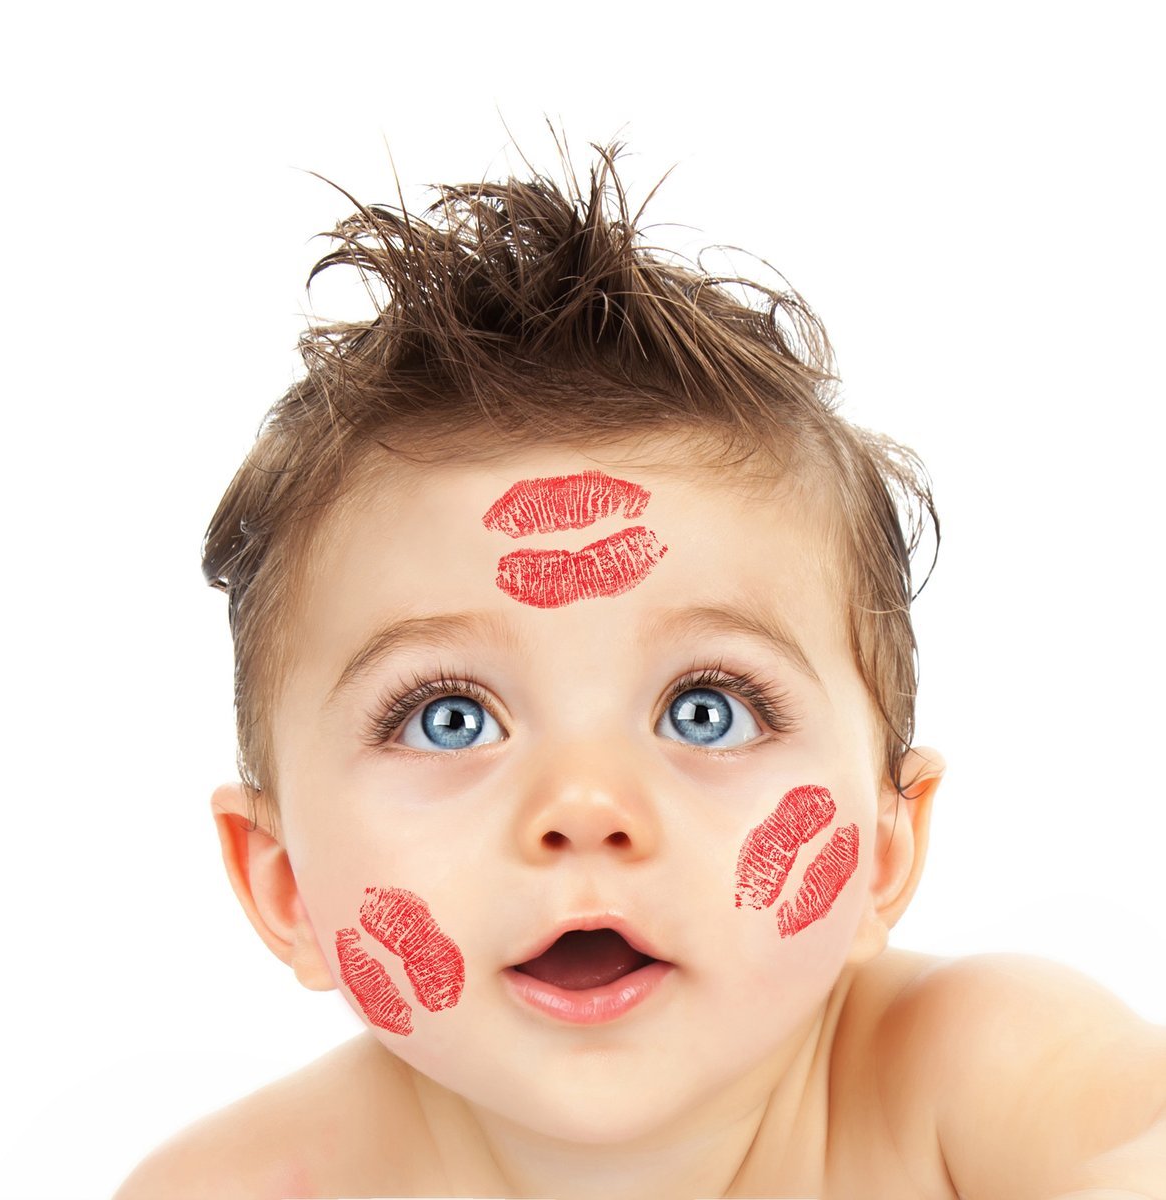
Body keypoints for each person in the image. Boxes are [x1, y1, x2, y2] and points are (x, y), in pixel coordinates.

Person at [113, 144, 1166, 1199]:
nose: (583, 807)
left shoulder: (974, 1070)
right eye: (448, 718)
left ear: (885, 851)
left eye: (706, 711)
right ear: (285, 886)